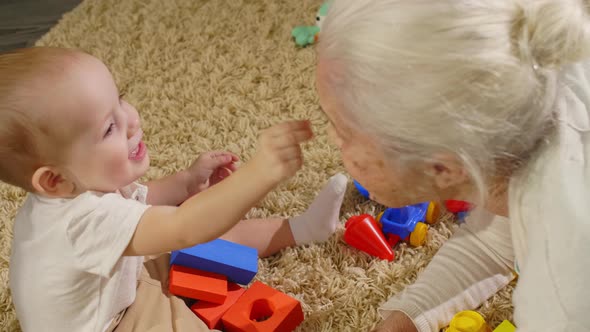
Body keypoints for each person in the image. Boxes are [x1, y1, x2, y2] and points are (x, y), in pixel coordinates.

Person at [0, 47, 348, 332]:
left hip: (117, 284)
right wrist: (259, 173)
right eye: (109, 128)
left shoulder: (77, 185)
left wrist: (186, 181)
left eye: (120, 100)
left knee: (212, 240)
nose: (132, 120)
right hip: (113, 324)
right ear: (55, 180)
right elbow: (182, 227)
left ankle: (303, 228)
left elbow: (142, 199)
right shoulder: (81, 221)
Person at [316, 0, 590, 331]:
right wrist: (409, 315)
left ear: (444, 169)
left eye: (343, 132)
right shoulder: (533, 86)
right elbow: (494, 242)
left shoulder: (565, 297)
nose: (330, 138)